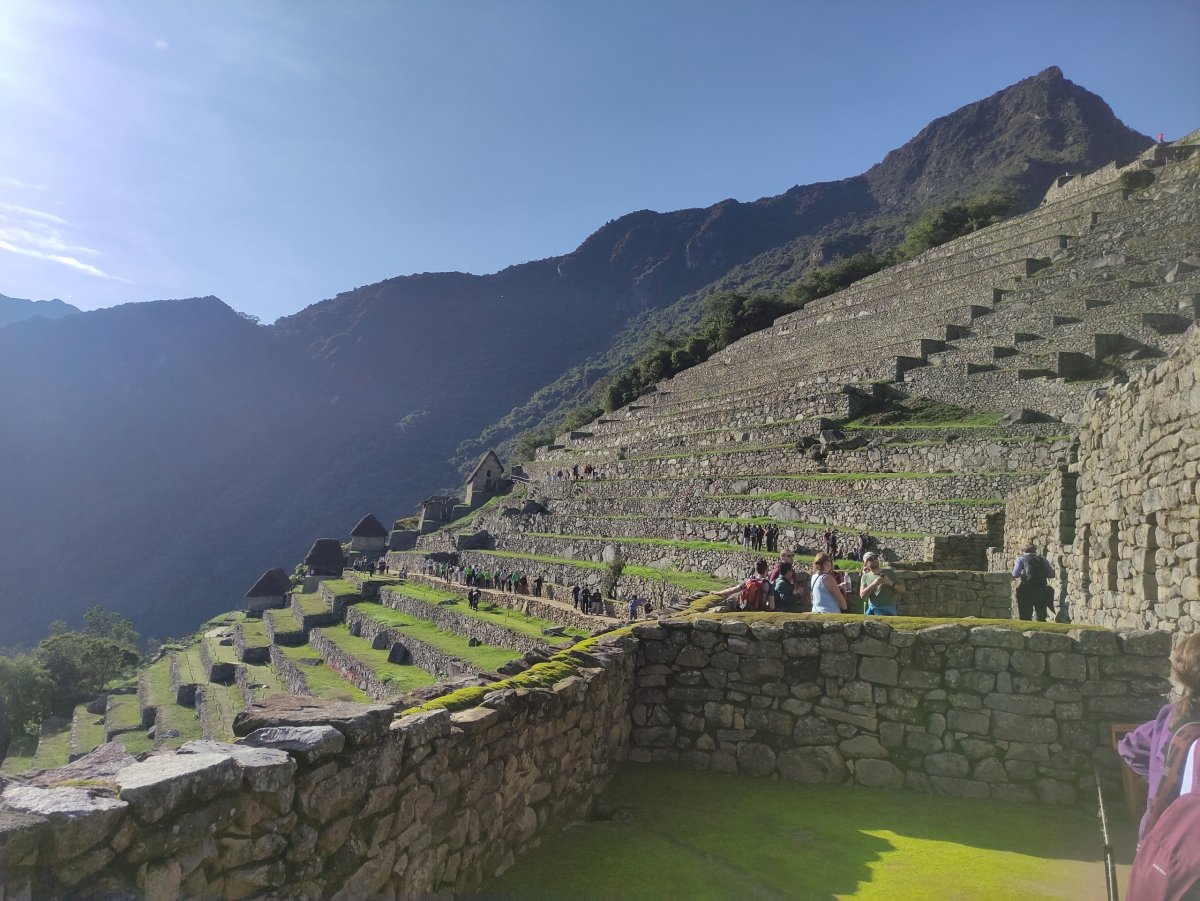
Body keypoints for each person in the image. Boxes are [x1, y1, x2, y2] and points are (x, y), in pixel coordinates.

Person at [1118, 633, 1200, 842]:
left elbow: (1130, 747)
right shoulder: (1173, 716)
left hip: (1159, 842)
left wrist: (1160, 776)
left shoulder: (1172, 715)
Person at [1012, 542, 1054, 621]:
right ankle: (1041, 631)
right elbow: (1051, 574)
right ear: (1035, 550)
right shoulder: (1042, 559)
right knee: (1040, 615)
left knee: (1025, 615)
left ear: (1023, 551)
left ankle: (1025, 631)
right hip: (1041, 589)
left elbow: (1015, 574)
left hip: (1025, 589)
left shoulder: (1021, 559)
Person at [859, 552, 904, 616]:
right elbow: (862, 595)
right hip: (873, 611)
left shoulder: (889, 572)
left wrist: (890, 583)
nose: (874, 560)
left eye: (876, 558)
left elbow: (902, 589)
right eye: (871, 559)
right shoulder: (865, 576)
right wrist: (874, 584)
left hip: (889, 610)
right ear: (866, 563)